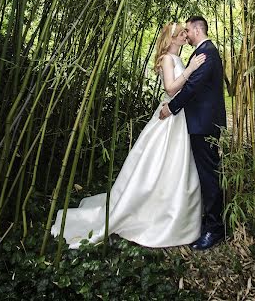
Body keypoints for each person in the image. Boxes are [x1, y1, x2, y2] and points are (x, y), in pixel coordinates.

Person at [51, 22, 206, 248]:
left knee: (176, 166)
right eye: (180, 33)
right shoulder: (167, 59)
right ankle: (151, 213)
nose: (184, 35)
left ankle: (172, 212)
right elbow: (171, 89)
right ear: (170, 38)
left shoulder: (181, 59)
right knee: (159, 166)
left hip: (179, 117)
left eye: (185, 32)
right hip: (169, 117)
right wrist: (191, 69)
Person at [160, 16, 227, 251]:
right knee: (203, 173)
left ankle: (215, 228)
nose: (185, 34)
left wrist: (172, 107)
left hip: (204, 124)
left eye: (187, 30)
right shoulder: (202, 52)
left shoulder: (207, 53)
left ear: (197, 30)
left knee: (208, 175)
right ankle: (206, 220)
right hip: (199, 123)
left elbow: (192, 87)